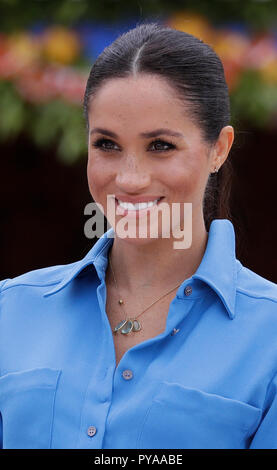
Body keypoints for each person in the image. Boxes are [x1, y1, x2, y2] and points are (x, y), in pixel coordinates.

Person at [0, 22, 277, 450]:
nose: (129, 179)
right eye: (107, 145)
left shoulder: (269, 335)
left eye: (161, 146)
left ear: (218, 149)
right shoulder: (11, 309)